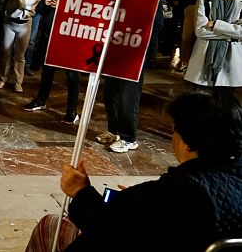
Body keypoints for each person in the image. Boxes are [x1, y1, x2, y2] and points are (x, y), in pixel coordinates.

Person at [26, 92, 242, 252]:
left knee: (51, 226)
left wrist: (81, 193)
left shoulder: (177, 192)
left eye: (174, 131)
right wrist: (138, 201)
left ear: (188, 143)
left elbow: (108, 230)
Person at [185, 0, 242, 96]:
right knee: (200, 103)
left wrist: (216, 25)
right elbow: (200, 31)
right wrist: (231, 34)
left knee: (224, 102)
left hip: (230, 61)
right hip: (203, 59)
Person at [0, 0, 42, 93]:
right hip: (9, 23)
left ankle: (18, 81)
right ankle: (3, 78)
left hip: (24, 25)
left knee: (20, 55)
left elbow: (24, 4)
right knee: (5, 52)